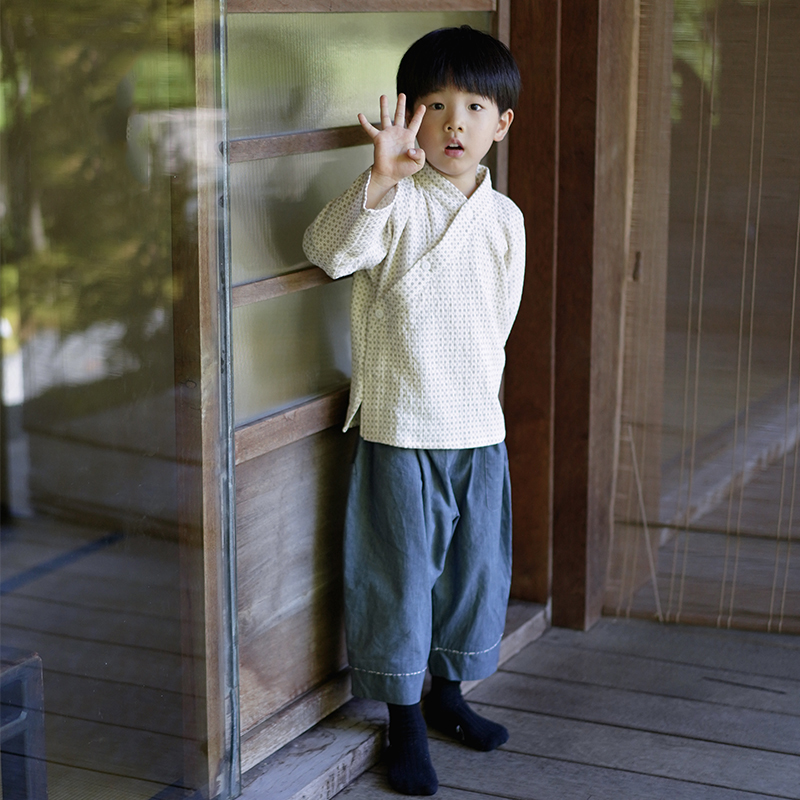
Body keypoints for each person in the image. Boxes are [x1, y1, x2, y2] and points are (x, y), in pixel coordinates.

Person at [303, 25, 524, 796]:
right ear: (409, 115)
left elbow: (500, 323)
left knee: (474, 574)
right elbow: (329, 252)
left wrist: (477, 397)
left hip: (478, 426)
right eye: (435, 105)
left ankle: (449, 698)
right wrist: (378, 180)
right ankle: (401, 720)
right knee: (397, 578)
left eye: (474, 106)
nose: (453, 123)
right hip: (402, 425)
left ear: (502, 124)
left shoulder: (506, 221)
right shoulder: (394, 202)